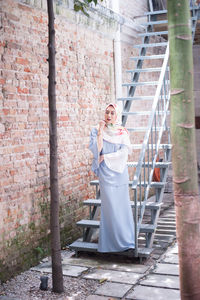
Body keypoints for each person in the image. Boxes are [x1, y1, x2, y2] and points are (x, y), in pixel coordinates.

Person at [89, 103, 135, 253]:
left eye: (112, 113)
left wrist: (106, 157)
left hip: (119, 174)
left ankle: (126, 240)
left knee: (121, 206)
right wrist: (101, 131)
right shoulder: (96, 130)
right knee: (110, 208)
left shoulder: (122, 132)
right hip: (105, 174)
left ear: (117, 116)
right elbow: (98, 150)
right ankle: (109, 243)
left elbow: (124, 154)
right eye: (107, 112)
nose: (108, 115)